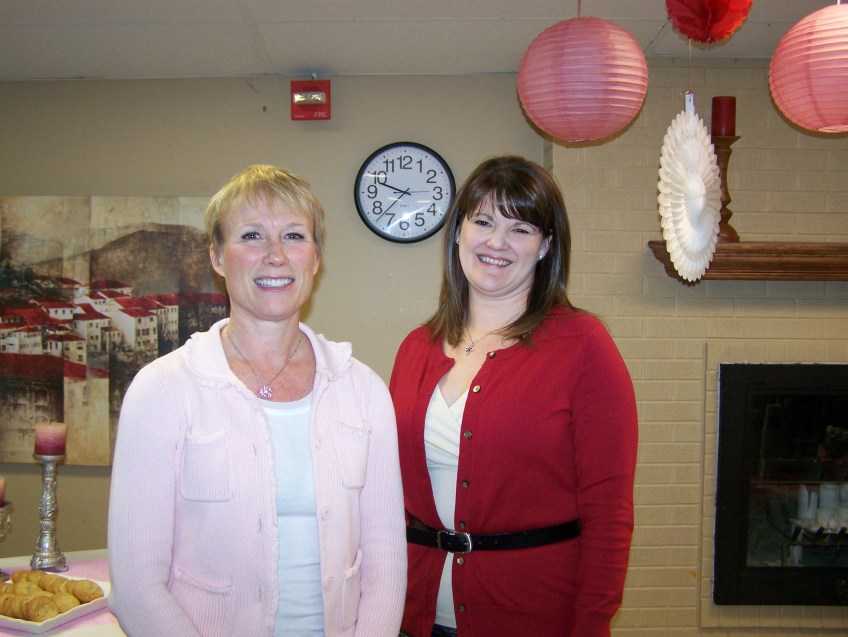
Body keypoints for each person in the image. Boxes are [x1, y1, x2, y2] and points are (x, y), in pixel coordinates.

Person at [108, 165, 407, 637]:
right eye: (252, 235)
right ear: (217, 256)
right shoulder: (162, 390)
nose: (275, 255)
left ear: (315, 258)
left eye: (294, 235)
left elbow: (385, 564)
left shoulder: (363, 391)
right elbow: (137, 585)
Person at [389, 156, 638, 637]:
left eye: (520, 228)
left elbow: (609, 512)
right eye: (483, 222)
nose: (496, 242)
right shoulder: (415, 348)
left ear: (545, 245)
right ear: (458, 232)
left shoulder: (583, 346)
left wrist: (592, 624)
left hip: (532, 615)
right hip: (415, 614)